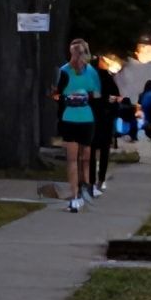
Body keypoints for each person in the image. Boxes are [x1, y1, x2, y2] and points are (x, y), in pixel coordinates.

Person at [53, 39, 101, 212]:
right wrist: (65, 98)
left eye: (79, 53)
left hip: (87, 119)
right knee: (72, 158)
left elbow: (97, 93)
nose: (76, 57)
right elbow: (55, 94)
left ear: (85, 54)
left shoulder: (91, 72)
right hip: (69, 118)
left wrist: (87, 97)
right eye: (73, 53)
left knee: (86, 157)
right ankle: (73, 197)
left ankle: (85, 187)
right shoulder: (64, 71)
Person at [86, 60, 121, 196]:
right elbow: (115, 99)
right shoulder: (109, 80)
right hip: (105, 120)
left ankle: (91, 180)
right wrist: (110, 110)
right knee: (104, 151)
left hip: (93, 120)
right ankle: (101, 179)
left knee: (92, 150)